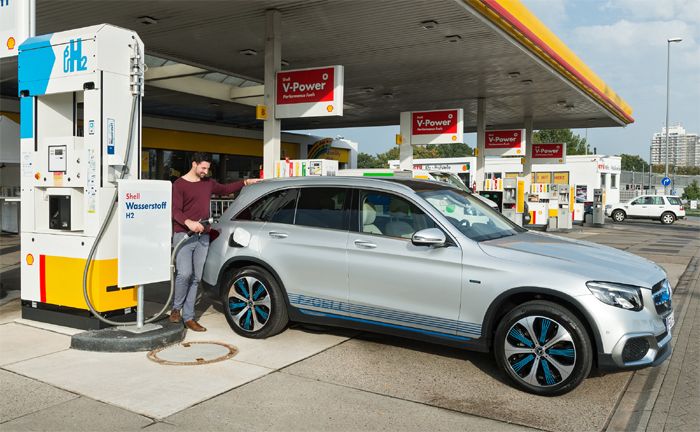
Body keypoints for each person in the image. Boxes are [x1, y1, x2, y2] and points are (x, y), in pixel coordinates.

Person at [170, 152, 260, 332]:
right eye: (203, 167)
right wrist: (189, 222)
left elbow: (225, 189)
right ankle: (176, 308)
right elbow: (175, 210)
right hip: (183, 235)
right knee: (184, 274)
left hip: (203, 235)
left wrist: (245, 182)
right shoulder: (179, 184)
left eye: (208, 168)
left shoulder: (208, 183)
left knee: (196, 278)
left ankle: (189, 317)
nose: (205, 171)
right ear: (194, 164)